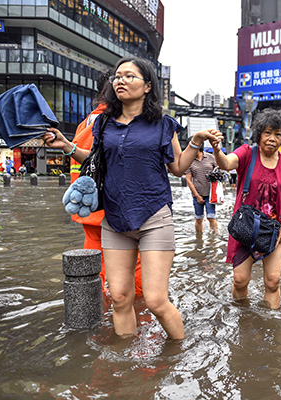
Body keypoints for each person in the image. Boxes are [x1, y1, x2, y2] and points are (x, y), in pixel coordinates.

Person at [43, 57, 217, 340]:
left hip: (154, 219)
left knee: (156, 301)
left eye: (129, 76)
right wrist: (67, 146)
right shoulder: (103, 123)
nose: (120, 80)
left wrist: (195, 141)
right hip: (115, 220)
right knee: (120, 298)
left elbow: (177, 168)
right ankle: (125, 367)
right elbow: (96, 161)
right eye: (117, 76)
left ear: (147, 86)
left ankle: (176, 355)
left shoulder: (162, 124)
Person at [44, 71, 143, 296]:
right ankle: (141, 316)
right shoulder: (115, 121)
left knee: (95, 267)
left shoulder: (84, 123)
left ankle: (97, 317)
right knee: (135, 268)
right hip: (113, 209)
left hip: (88, 209)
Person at [210, 108, 281, 310]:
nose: (272, 138)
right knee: (240, 281)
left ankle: (270, 321)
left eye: (278, 134)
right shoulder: (247, 153)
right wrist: (217, 149)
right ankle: (243, 316)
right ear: (259, 134)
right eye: (267, 133)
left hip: (274, 229)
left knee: (273, 281)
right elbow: (225, 163)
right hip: (245, 227)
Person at [186, 144, 219, 232]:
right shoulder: (189, 161)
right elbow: (189, 180)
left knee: (211, 217)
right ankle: (199, 241)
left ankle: (214, 241)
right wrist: (197, 196)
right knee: (198, 218)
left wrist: (217, 172)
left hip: (210, 193)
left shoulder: (210, 157)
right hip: (197, 194)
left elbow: (219, 169)